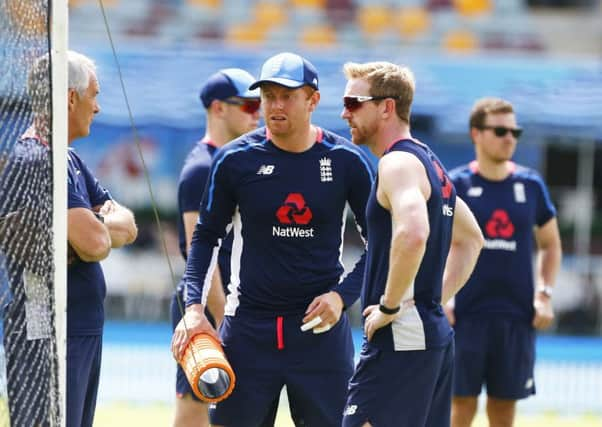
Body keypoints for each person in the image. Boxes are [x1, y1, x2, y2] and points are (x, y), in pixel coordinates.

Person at [171, 52, 375, 427]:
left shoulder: (347, 160)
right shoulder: (235, 160)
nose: (275, 105)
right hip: (248, 332)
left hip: (320, 336)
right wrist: (194, 308)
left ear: (312, 100)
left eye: (287, 95)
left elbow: (380, 243)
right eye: (268, 96)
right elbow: (205, 237)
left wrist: (342, 297)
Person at [339, 61, 484, 427]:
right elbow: (471, 240)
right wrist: (428, 301)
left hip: (401, 336)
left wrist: (390, 306)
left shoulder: (398, 163)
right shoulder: (429, 162)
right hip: (426, 332)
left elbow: (414, 233)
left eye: (354, 103)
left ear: (387, 107)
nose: (345, 113)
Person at [446, 97, 562, 427]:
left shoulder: (531, 185)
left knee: (503, 410)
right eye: (500, 130)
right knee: (460, 406)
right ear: (476, 134)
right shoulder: (458, 185)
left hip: (516, 317)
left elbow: (551, 244)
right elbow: (436, 245)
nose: (509, 137)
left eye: (515, 131)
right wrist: (445, 295)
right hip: (465, 316)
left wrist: (544, 294)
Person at [171, 68, 260, 427]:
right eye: (249, 104)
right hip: (209, 308)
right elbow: (199, 254)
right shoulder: (202, 168)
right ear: (219, 109)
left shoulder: (232, 161)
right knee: (196, 408)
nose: (258, 112)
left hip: (232, 307)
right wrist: (223, 322)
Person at [64, 51, 138, 426]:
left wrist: (92, 224)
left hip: (83, 328)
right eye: (93, 95)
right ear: (71, 98)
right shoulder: (41, 160)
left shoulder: (71, 160)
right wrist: (97, 227)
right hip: (61, 331)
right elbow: (94, 245)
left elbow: (127, 225)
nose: (98, 107)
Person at [0, 53, 58, 427]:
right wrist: (66, 256)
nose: (97, 107)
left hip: (41, 311)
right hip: (33, 310)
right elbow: (11, 229)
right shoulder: (31, 156)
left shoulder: (54, 155)